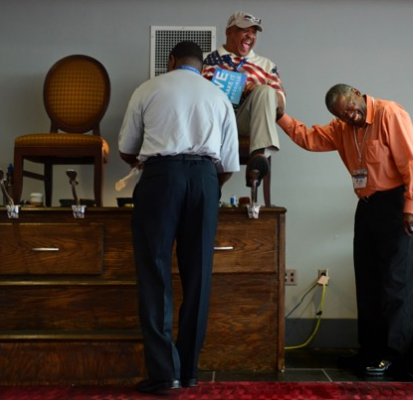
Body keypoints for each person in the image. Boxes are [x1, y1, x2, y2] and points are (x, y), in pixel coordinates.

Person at [276, 84, 413, 376]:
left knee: (395, 282)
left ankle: (394, 354)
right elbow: (309, 138)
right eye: (343, 115)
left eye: (352, 109)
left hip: (397, 205)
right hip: (367, 206)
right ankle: (369, 351)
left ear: (358, 93)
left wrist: (412, 208)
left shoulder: (389, 113)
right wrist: (281, 117)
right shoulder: (341, 126)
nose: (352, 117)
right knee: (368, 281)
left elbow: (412, 163)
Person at [118, 41, 240, 394]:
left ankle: (163, 374)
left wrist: (158, 166)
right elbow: (229, 164)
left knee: (155, 274)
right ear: (202, 67)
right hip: (205, 180)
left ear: (171, 61)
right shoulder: (218, 97)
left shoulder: (148, 88)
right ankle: (189, 372)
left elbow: (127, 147)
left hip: (160, 179)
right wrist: (203, 181)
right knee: (198, 277)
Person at [202, 11, 285, 189]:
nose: (250, 36)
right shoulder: (206, 60)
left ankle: (257, 157)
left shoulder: (266, 65)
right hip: (214, 122)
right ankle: (208, 191)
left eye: (254, 32)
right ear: (229, 32)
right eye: (244, 30)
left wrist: (255, 90)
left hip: (245, 121)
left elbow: (280, 106)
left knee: (265, 91)